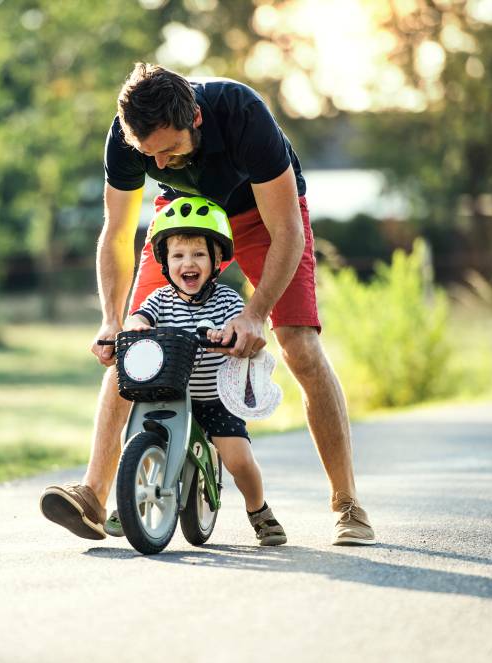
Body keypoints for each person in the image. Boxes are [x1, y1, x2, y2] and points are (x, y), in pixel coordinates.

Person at [40, 63, 375, 546]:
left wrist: (255, 313)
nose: (161, 165)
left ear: (195, 117)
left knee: (299, 346)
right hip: (187, 219)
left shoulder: (242, 114)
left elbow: (288, 232)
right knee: (133, 344)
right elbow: (115, 234)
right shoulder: (129, 136)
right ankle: (93, 494)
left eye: (170, 150)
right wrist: (112, 321)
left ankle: (348, 504)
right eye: (148, 155)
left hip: (264, 216)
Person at [104, 196, 286, 546]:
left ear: (217, 260)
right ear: (164, 261)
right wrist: (136, 325)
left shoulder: (228, 301)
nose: (188, 263)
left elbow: (241, 325)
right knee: (133, 437)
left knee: (238, 458)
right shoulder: (159, 301)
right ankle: (129, 499)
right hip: (167, 392)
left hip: (214, 400)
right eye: (178, 255)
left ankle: (259, 510)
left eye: (199, 254)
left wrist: (230, 333)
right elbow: (139, 316)